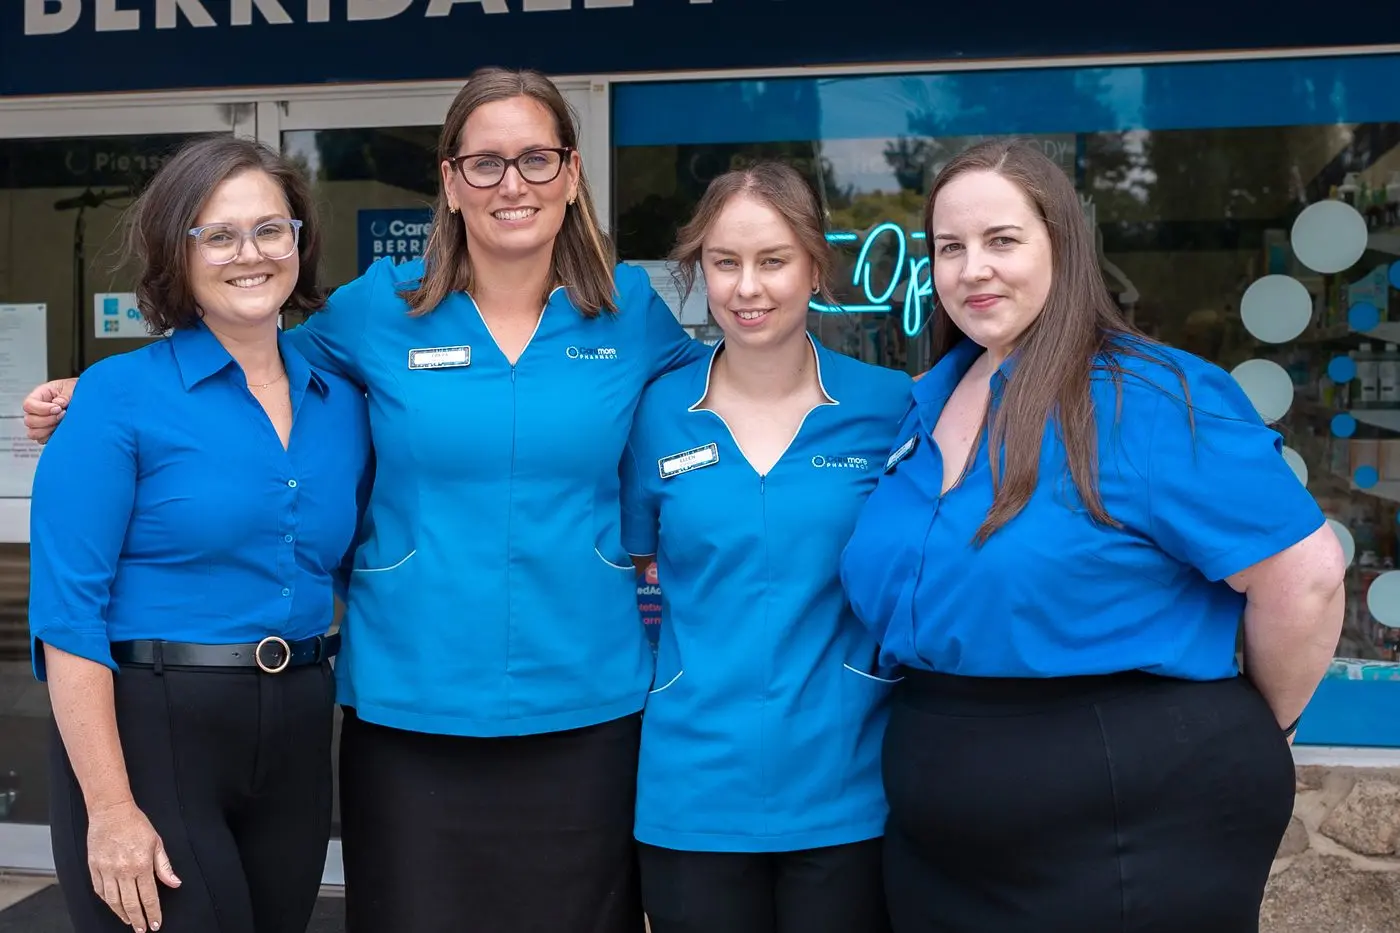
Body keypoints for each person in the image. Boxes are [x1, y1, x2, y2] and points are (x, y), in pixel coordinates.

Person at [26, 66, 707, 933]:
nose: (513, 184)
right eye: (485, 163)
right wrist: (95, 394)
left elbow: (731, 394)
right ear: (450, 181)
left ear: (572, 174)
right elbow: (246, 357)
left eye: (537, 159)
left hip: (587, 695)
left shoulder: (629, 312)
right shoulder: (377, 310)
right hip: (408, 701)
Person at [838, 137, 1346, 932]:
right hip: (941, 827)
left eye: (1003, 240)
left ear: (1062, 246)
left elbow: (1304, 576)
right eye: (950, 247)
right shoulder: (927, 401)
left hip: (1131, 815)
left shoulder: (1147, 396)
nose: (973, 268)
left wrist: (1266, 724)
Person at [28, 136, 372, 933]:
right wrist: (110, 807)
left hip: (297, 725)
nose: (249, 254)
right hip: (153, 727)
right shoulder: (116, 397)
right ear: (176, 254)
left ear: (298, 240)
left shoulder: (341, 402)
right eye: (218, 235)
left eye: (270, 229)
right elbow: (67, 617)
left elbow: (362, 562)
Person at [621, 161, 909, 933]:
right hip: (693, 793)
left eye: (773, 260)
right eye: (725, 262)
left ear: (814, 266)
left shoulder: (888, 407)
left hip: (847, 786)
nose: (747, 287)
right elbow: (634, 570)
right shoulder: (656, 415)